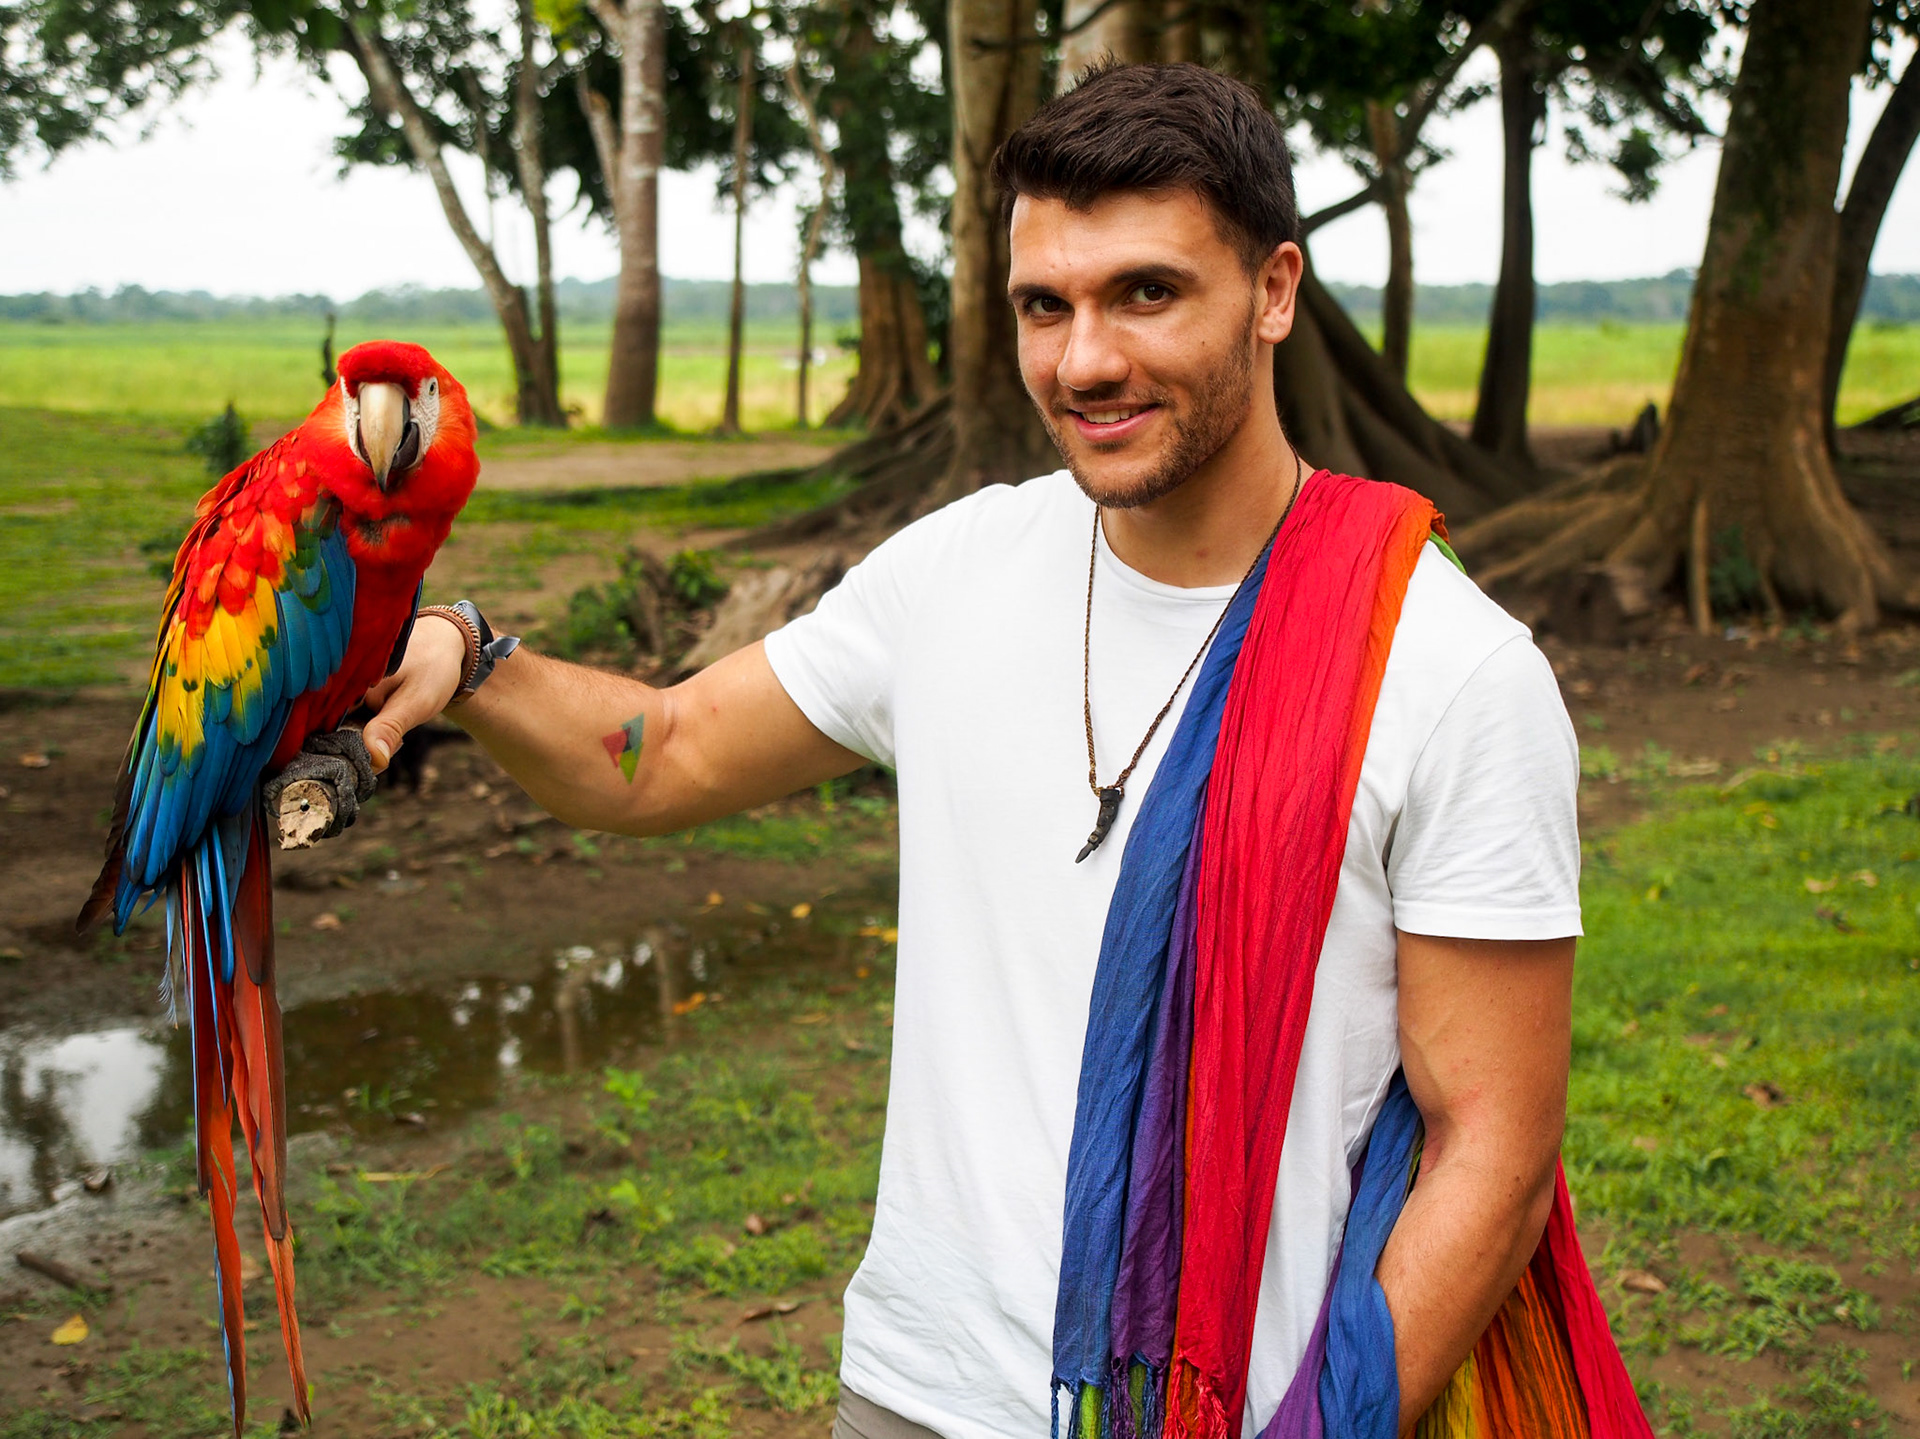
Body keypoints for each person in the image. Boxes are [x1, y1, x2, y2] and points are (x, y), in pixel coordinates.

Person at [364, 63, 1592, 1439]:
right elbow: (668, 751)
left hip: (1233, 1413)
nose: (1084, 362)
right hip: (916, 1391)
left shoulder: (1450, 673)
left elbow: (1494, 1150)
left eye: (1146, 292)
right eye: (1043, 306)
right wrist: (467, 658)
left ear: (1274, 292)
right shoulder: (956, 572)